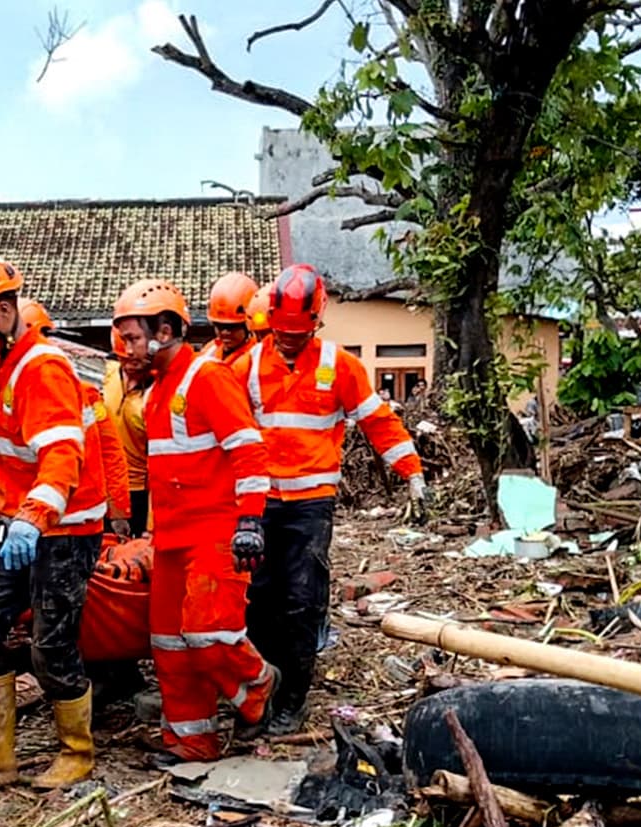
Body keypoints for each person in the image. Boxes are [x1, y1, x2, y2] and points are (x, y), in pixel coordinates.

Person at [0, 252, 105, 790]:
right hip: (17, 526)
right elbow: (6, 458)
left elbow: (61, 457)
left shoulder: (43, 367)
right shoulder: (3, 364)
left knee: (51, 644)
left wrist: (32, 516)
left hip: (63, 530)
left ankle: (76, 751)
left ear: (5, 311)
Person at [234, 264, 425, 734]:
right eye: (282, 332)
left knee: (302, 600)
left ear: (316, 321)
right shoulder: (248, 367)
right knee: (257, 599)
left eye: (298, 332)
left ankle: (294, 697)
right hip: (261, 504)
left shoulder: (340, 367)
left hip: (311, 505)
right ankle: (263, 690)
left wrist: (411, 471)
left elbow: (378, 421)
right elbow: (227, 431)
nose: (290, 340)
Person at [113, 278, 276, 763]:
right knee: (168, 645)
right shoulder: (158, 392)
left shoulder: (206, 379)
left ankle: (258, 684)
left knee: (209, 634)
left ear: (166, 330)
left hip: (216, 534)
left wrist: (250, 521)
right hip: (171, 539)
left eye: (133, 337)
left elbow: (248, 451)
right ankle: (192, 741)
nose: (125, 349)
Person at [20, 299, 133, 537]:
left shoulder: (85, 394)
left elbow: (110, 453)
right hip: (27, 517)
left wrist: (119, 511)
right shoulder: (7, 394)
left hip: (73, 523)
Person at [102, 327, 151, 536]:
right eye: (124, 360)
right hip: (105, 486)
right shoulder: (111, 373)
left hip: (138, 492)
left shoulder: (154, 395)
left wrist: (151, 525)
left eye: (136, 364)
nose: (130, 367)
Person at [202, 271, 259, 364]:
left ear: (248, 324)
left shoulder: (257, 359)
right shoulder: (210, 350)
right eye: (219, 326)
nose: (225, 332)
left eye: (232, 327)